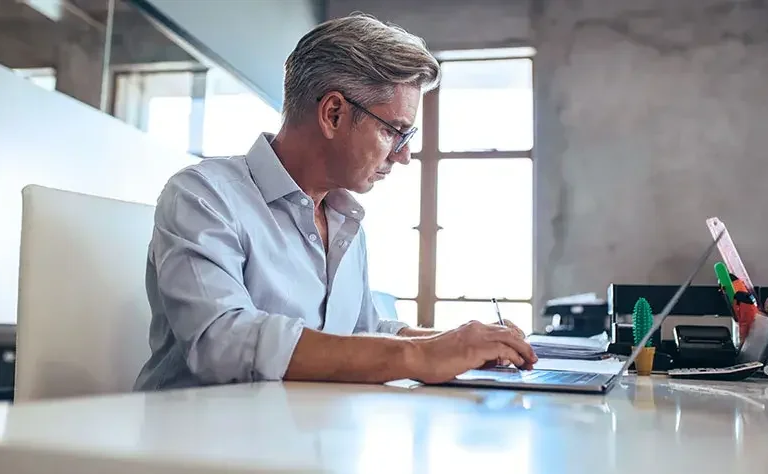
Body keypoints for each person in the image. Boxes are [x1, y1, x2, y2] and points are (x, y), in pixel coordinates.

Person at [133, 13, 537, 391]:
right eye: (395, 131)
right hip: (196, 448)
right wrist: (419, 355)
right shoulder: (203, 196)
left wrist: (460, 343)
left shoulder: (343, 217)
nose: (403, 155)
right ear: (333, 114)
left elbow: (359, 331)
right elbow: (222, 341)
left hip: (304, 441)